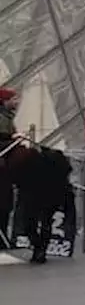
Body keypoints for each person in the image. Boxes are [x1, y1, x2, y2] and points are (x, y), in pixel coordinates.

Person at [0, 87, 18, 248]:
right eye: (13, 99)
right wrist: (14, 141)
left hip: (6, 168)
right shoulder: (2, 119)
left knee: (6, 204)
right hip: (2, 168)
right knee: (4, 203)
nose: (16, 101)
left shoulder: (7, 117)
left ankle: (3, 237)